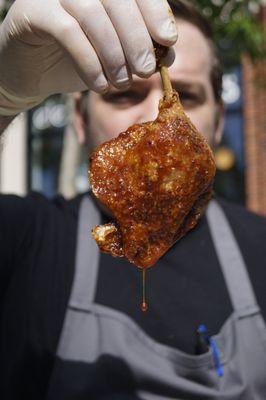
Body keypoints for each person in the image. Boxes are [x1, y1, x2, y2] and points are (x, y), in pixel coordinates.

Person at [0, 0, 266, 399]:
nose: (152, 118)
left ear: (217, 120)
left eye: (187, 95)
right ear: (79, 118)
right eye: (123, 95)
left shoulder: (260, 248)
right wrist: (4, 97)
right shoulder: (31, 240)